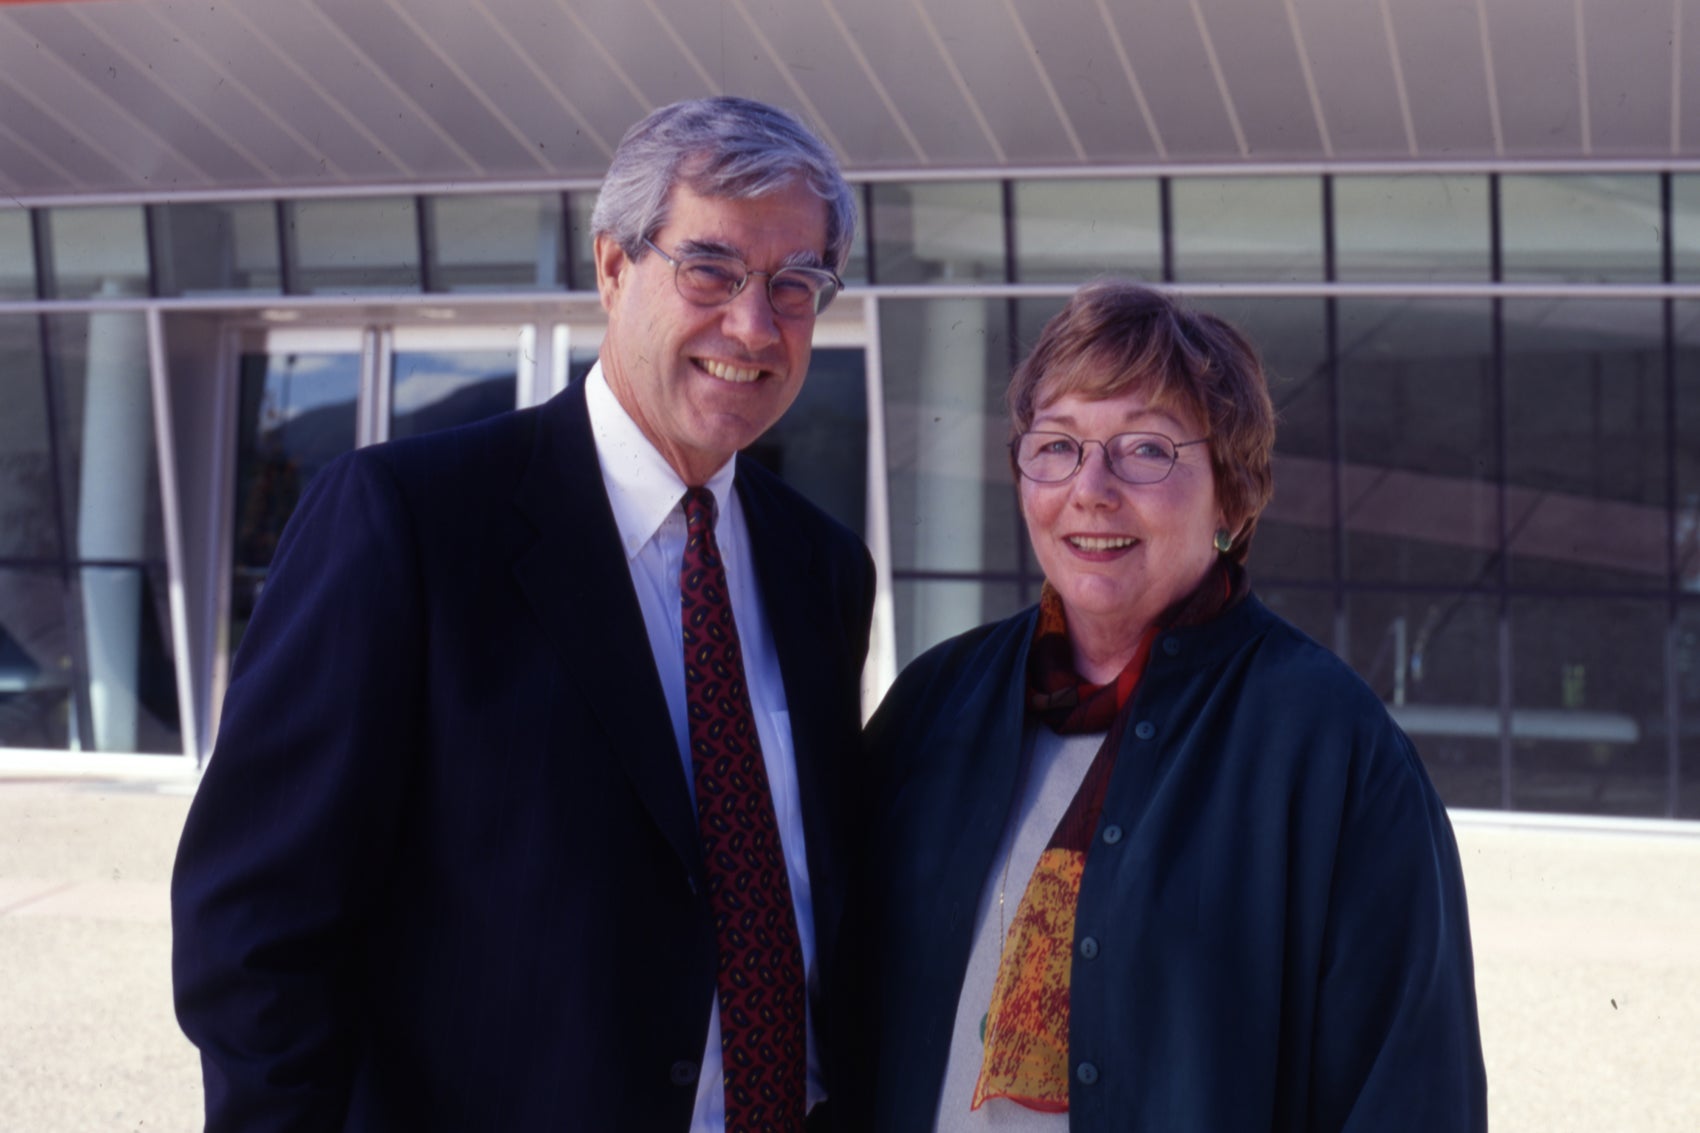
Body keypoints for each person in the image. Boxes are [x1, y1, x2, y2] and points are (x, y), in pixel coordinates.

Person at [171, 97, 875, 1133]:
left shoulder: (822, 567)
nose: (753, 325)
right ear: (609, 267)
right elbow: (254, 936)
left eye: (793, 284)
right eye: (710, 270)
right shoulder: (407, 523)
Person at [849, 282, 1486, 1131]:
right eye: (1058, 445)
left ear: (1231, 491)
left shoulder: (1332, 750)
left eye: (1145, 449)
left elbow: (1410, 1094)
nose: (1092, 488)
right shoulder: (934, 707)